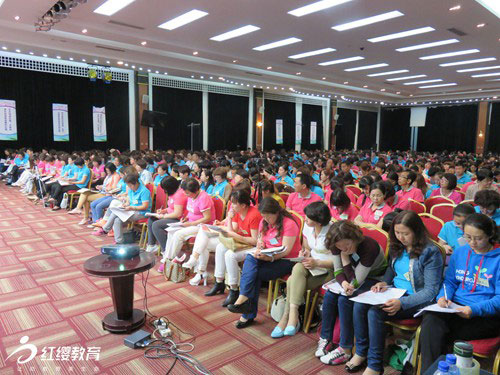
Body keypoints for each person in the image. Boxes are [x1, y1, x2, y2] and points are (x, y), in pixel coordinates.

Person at [351, 211, 443, 375]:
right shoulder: (396, 246)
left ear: (417, 231)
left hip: (416, 299)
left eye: (405, 233)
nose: (401, 237)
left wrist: (403, 303)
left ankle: (374, 364)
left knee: (375, 313)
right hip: (395, 292)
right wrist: (384, 282)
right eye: (397, 232)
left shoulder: (430, 252)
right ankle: (360, 352)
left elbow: (430, 291)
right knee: (359, 304)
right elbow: (391, 270)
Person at [419, 213, 500, 373]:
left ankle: (439, 369)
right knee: (431, 320)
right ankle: (429, 371)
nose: (472, 243)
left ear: (490, 235)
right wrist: (442, 297)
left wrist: (473, 310)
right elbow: (449, 282)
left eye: (478, 238)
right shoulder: (461, 252)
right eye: (467, 237)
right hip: (456, 307)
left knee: (435, 333)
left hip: (485, 314)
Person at [316, 220, 387, 366]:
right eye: (340, 247)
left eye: (347, 245)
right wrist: (343, 283)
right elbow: (337, 271)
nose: (344, 249)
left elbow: (357, 281)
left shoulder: (369, 246)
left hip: (375, 279)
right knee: (330, 295)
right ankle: (326, 338)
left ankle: (345, 348)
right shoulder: (337, 244)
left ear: (355, 238)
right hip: (353, 276)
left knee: (344, 299)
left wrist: (345, 259)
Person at [226, 197, 301, 329]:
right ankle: (243, 299)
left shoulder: (289, 224)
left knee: (254, 274)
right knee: (251, 258)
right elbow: (261, 239)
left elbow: (286, 251)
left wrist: (270, 258)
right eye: (263, 217)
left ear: (276, 213)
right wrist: (260, 246)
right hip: (268, 255)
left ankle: (246, 310)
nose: (265, 220)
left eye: (268, 217)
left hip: (287, 260)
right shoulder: (264, 222)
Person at [189, 189, 261, 299]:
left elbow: (254, 240)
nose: (231, 205)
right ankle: (219, 282)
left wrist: (237, 236)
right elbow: (233, 231)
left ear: (242, 205)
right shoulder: (237, 212)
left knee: (230, 255)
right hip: (240, 241)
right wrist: (230, 219)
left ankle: (234, 289)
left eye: (234, 203)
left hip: (251, 245)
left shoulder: (254, 215)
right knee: (220, 247)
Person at [162, 178, 216, 261]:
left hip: (202, 226)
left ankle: (169, 259)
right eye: (184, 191)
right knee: (171, 231)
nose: (185, 194)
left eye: (187, 192)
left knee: (178, 234)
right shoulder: (191, 196)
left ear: (196, 191)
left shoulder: (203, 198)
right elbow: (191, 210)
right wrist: (186, 218)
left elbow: (207, 218)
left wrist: (191, 224)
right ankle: (167, 257)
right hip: (190, 222)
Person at [93, 173, 151, 244]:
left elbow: (145, 206)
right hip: (131, 210)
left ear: (135, 183)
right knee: (117, 220)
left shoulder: (144, 191)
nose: (129, 187)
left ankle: (105, 229)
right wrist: (125, 204)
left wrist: (132, 207)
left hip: (141, 213)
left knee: (115, 213)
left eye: (130, 185)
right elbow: (129, 201)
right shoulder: (131, 189)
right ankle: (119, 241)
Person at [145, 176, 187, 254]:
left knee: (156, 225)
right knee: (151, 219)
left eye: (165, 188)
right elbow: (171, 208)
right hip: (171, 216)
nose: (164, 191)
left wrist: (163, 216)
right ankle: (152, 245)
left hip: (180, 219)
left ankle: (166, 250)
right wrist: (163, 211)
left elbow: (177, 214)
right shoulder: (173, 193)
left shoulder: (179, 195)